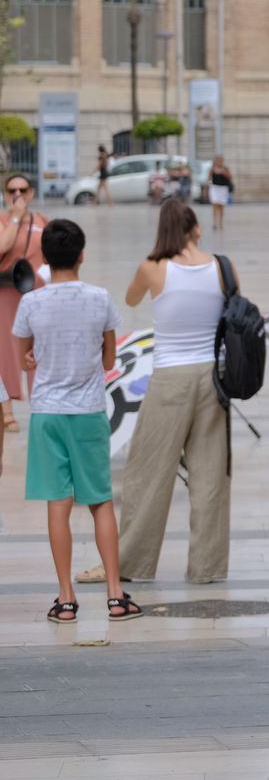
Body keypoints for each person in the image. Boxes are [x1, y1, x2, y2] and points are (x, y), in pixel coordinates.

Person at [16, 219, 139, 623]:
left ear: (46, 259)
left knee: (58, 504)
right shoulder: (100, 299)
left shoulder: (31, 302)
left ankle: (66, 599)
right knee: (100, 502)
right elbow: (108, 360)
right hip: (87, 412)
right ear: (81, 254)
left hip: (48, 412)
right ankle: (116, 596)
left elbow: (25, 358)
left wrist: (37, 356)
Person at [111, 200, 231, 584]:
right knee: (210, 474)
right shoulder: (221, 267)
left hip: (169, 378)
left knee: (148, 472)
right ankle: (207, 568)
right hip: (213, 378)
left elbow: (130, 299)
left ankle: (132, 563)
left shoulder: (153, 267)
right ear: (196, 228)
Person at [0, 172, 47, 433]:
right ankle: (5, 411)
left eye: (22, 190)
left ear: (31, 193)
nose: (17, 195)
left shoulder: (43, 221)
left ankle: (39, 404)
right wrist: (15, 218)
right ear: (5, 195)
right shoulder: (3, 220)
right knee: (5, 351)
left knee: (37, 350)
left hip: (36, 295)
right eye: (11, 191)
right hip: (6, 292)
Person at [207, 156, 234, 232]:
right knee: (215, 204)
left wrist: (224, 173)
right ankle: (215, 222)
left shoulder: (225, 169)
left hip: (223, 188)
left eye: (220, 160)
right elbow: (209, 178)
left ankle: (220, 222)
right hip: (215, 188)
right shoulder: (212, 169)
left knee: (221, 206)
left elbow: (230, 177)